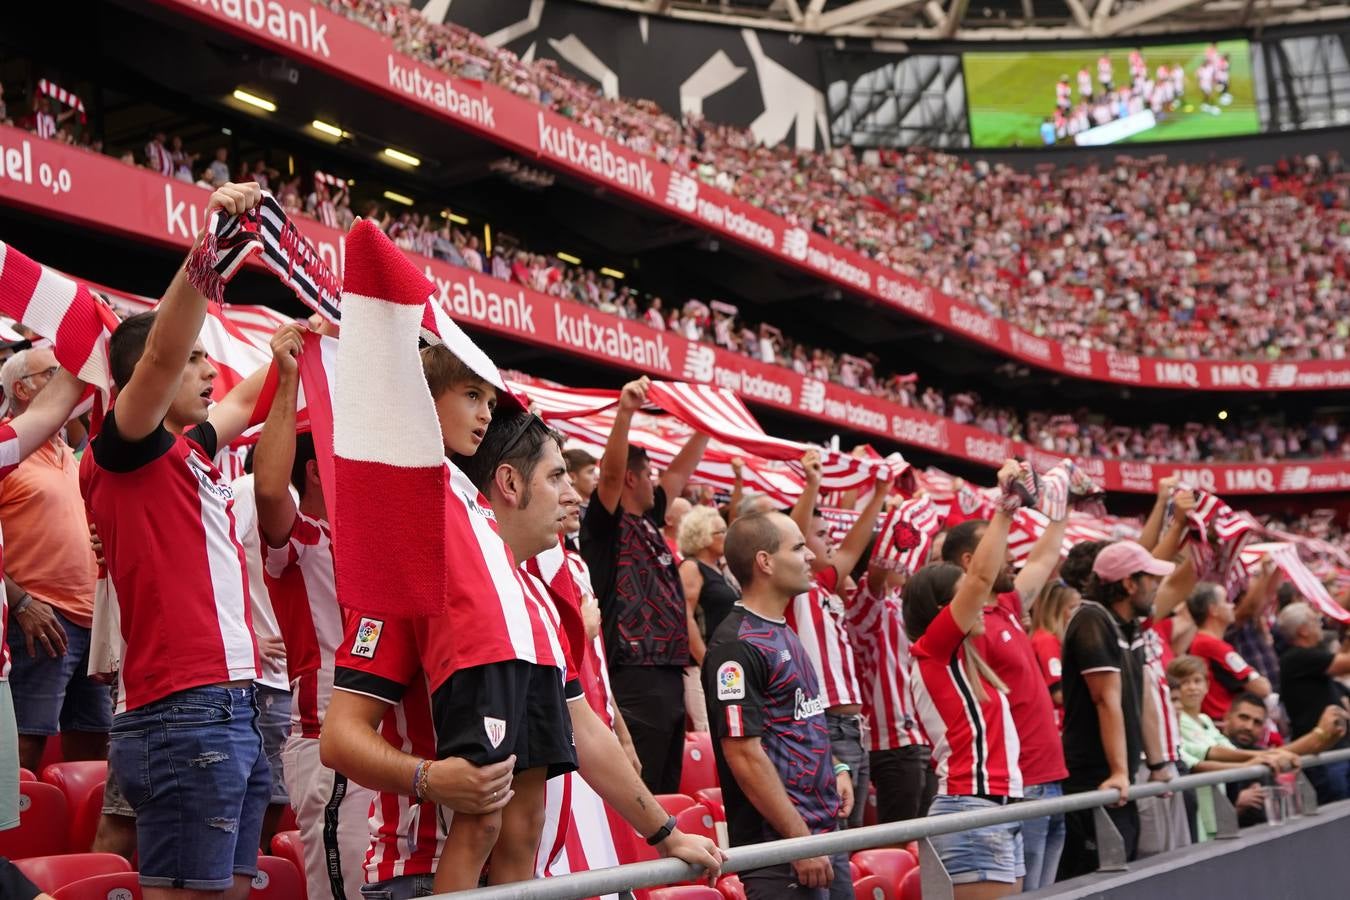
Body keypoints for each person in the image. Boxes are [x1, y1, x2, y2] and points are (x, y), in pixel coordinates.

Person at [80, 181, 302, 898]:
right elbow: (161, 352)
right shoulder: (124, 448)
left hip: (231, 706)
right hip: (184, 707)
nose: (211, 373)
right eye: (196, 362)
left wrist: (308, 342)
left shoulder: (192, 455)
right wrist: (216, 245)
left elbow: (245, 400)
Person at [253, 338, 373, 900]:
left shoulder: (369, 544)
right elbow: (270, 490)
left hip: (383, 741)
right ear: (317, 471)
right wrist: (289, 377)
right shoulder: (300, 540)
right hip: (324, 743)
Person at [703, 512, 853, 899]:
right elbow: (744, 754)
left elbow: (800, 717)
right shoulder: (736, 646)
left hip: (823, 838)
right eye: (799, 547)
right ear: (765, 561)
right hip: (782, 851)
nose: (811, 558)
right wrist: (798, 842)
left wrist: (836, 765)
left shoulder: (781, 629)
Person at [581, 376, 708, 794]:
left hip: (670, 669)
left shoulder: (651, 522)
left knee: (669, 789)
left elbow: (681, 471)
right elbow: (612, 474)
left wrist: (707, 425)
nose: (658, 480)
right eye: (649, 473)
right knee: (644, 788)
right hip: (635, 672)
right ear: (634, 480)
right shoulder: (607, 527)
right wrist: (626, 412)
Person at [905, 460, 1026, 898]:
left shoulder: (968, 662)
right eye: (965, 598)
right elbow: (981, 575)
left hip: (998, 807)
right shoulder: (933, 649)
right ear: (942, 611)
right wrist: (1006, 505)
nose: (978, 603)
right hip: (969, 807)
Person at [942, 500, 1069, 891]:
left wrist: (1062, 503)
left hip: (1050, 779)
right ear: (971, 560)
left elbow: (1046, 555)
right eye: (1003, 551)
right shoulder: (965, 627)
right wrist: (1007, 504)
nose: (1013, 558)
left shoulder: (1009, 605)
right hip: (1020, 784)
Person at [0, 348, 106, 773]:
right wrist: (22, 603)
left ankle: (71, 843)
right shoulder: (8, 451)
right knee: (25, 749)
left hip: (89, 623)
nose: (70, 383)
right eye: (54, 374)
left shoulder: (71, 455)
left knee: (94, 755)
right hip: (39, 620)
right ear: (21, 389)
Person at [1058, 540, 1174, 879]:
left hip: (1117, 779)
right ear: (1129, 583)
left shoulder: (1130, 624)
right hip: (1094, 778)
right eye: (1151, 579)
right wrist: (1119, 772)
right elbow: (1105, 700)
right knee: (1097, 876)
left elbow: (1144, 698)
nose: (1157, 587)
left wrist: (1157, 764)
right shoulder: (1092, 619)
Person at [789, 451, 891, 830]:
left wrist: (879, 493)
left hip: (852, 728)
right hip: (826, 723)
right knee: (836, 830)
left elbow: (853, 549)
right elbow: (794, 536)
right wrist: (812, 485)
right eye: (820, 536)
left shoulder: (823, 584)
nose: (831, 542)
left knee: (851, 836)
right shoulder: (792, 591)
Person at [1167, 655, 1296, 842]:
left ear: (1207, 685)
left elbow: (1228, 750)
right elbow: (1209, 754)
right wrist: (1255, 761)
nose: (1192, 687)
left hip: (1217, 804)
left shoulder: (1204, 720)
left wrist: (1273, 754)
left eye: (1197, 681)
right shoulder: (1179, 720)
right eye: (1184, 682)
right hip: (1198, 806)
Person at [846, 553, 932, 824]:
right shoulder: (866, 606)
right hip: (892, 742)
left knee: (925, 841)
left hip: (921, 737)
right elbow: (873, 583)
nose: (904, 561)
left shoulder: (901, 603)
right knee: (898, 842)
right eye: (897, 554)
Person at [1220, 692, 1349, 827]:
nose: (1249, 727)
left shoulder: (1258, 751)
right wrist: (1237, 806)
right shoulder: (1214, 748)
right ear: (1227, 716)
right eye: (1243, 718)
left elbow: (1285, 753)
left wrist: (1329, 737)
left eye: (1257, 722)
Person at [1276, 602, 1350, 803]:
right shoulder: (1296, 657)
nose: (1320, 623)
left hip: (1334, 751)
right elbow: (1344, 664)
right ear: (1303, 630)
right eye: (1314, 619)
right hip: (1323, 755)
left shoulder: (1306, 658)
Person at [678, 505, 738, 734]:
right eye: (720, 532)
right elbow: (686, 616)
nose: (726, 536)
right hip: (702, 666)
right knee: (709, 732)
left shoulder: (721, 569)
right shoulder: (692, 567)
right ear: (702, 536)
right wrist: (706, 660)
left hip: (726, 666)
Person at [1187, 582, 1271, 720]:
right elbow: (1262, 688)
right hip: (1225, 723)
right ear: (1213, 610)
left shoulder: (1203, 641)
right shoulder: (1211, 645)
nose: (1232, 606)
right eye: (1226, 601)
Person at [1029, 580, 1081, 730]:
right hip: (1059, 726)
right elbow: (1058, 693)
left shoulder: (1052, 639)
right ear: (1056, 610)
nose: (1078, 612)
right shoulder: (1046, 641)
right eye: (1072, 608)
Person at [562, 447, 598, 521]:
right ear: (572, 477)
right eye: (590, 472)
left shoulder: (597, 510)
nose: (596, 477)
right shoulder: (563, 513)